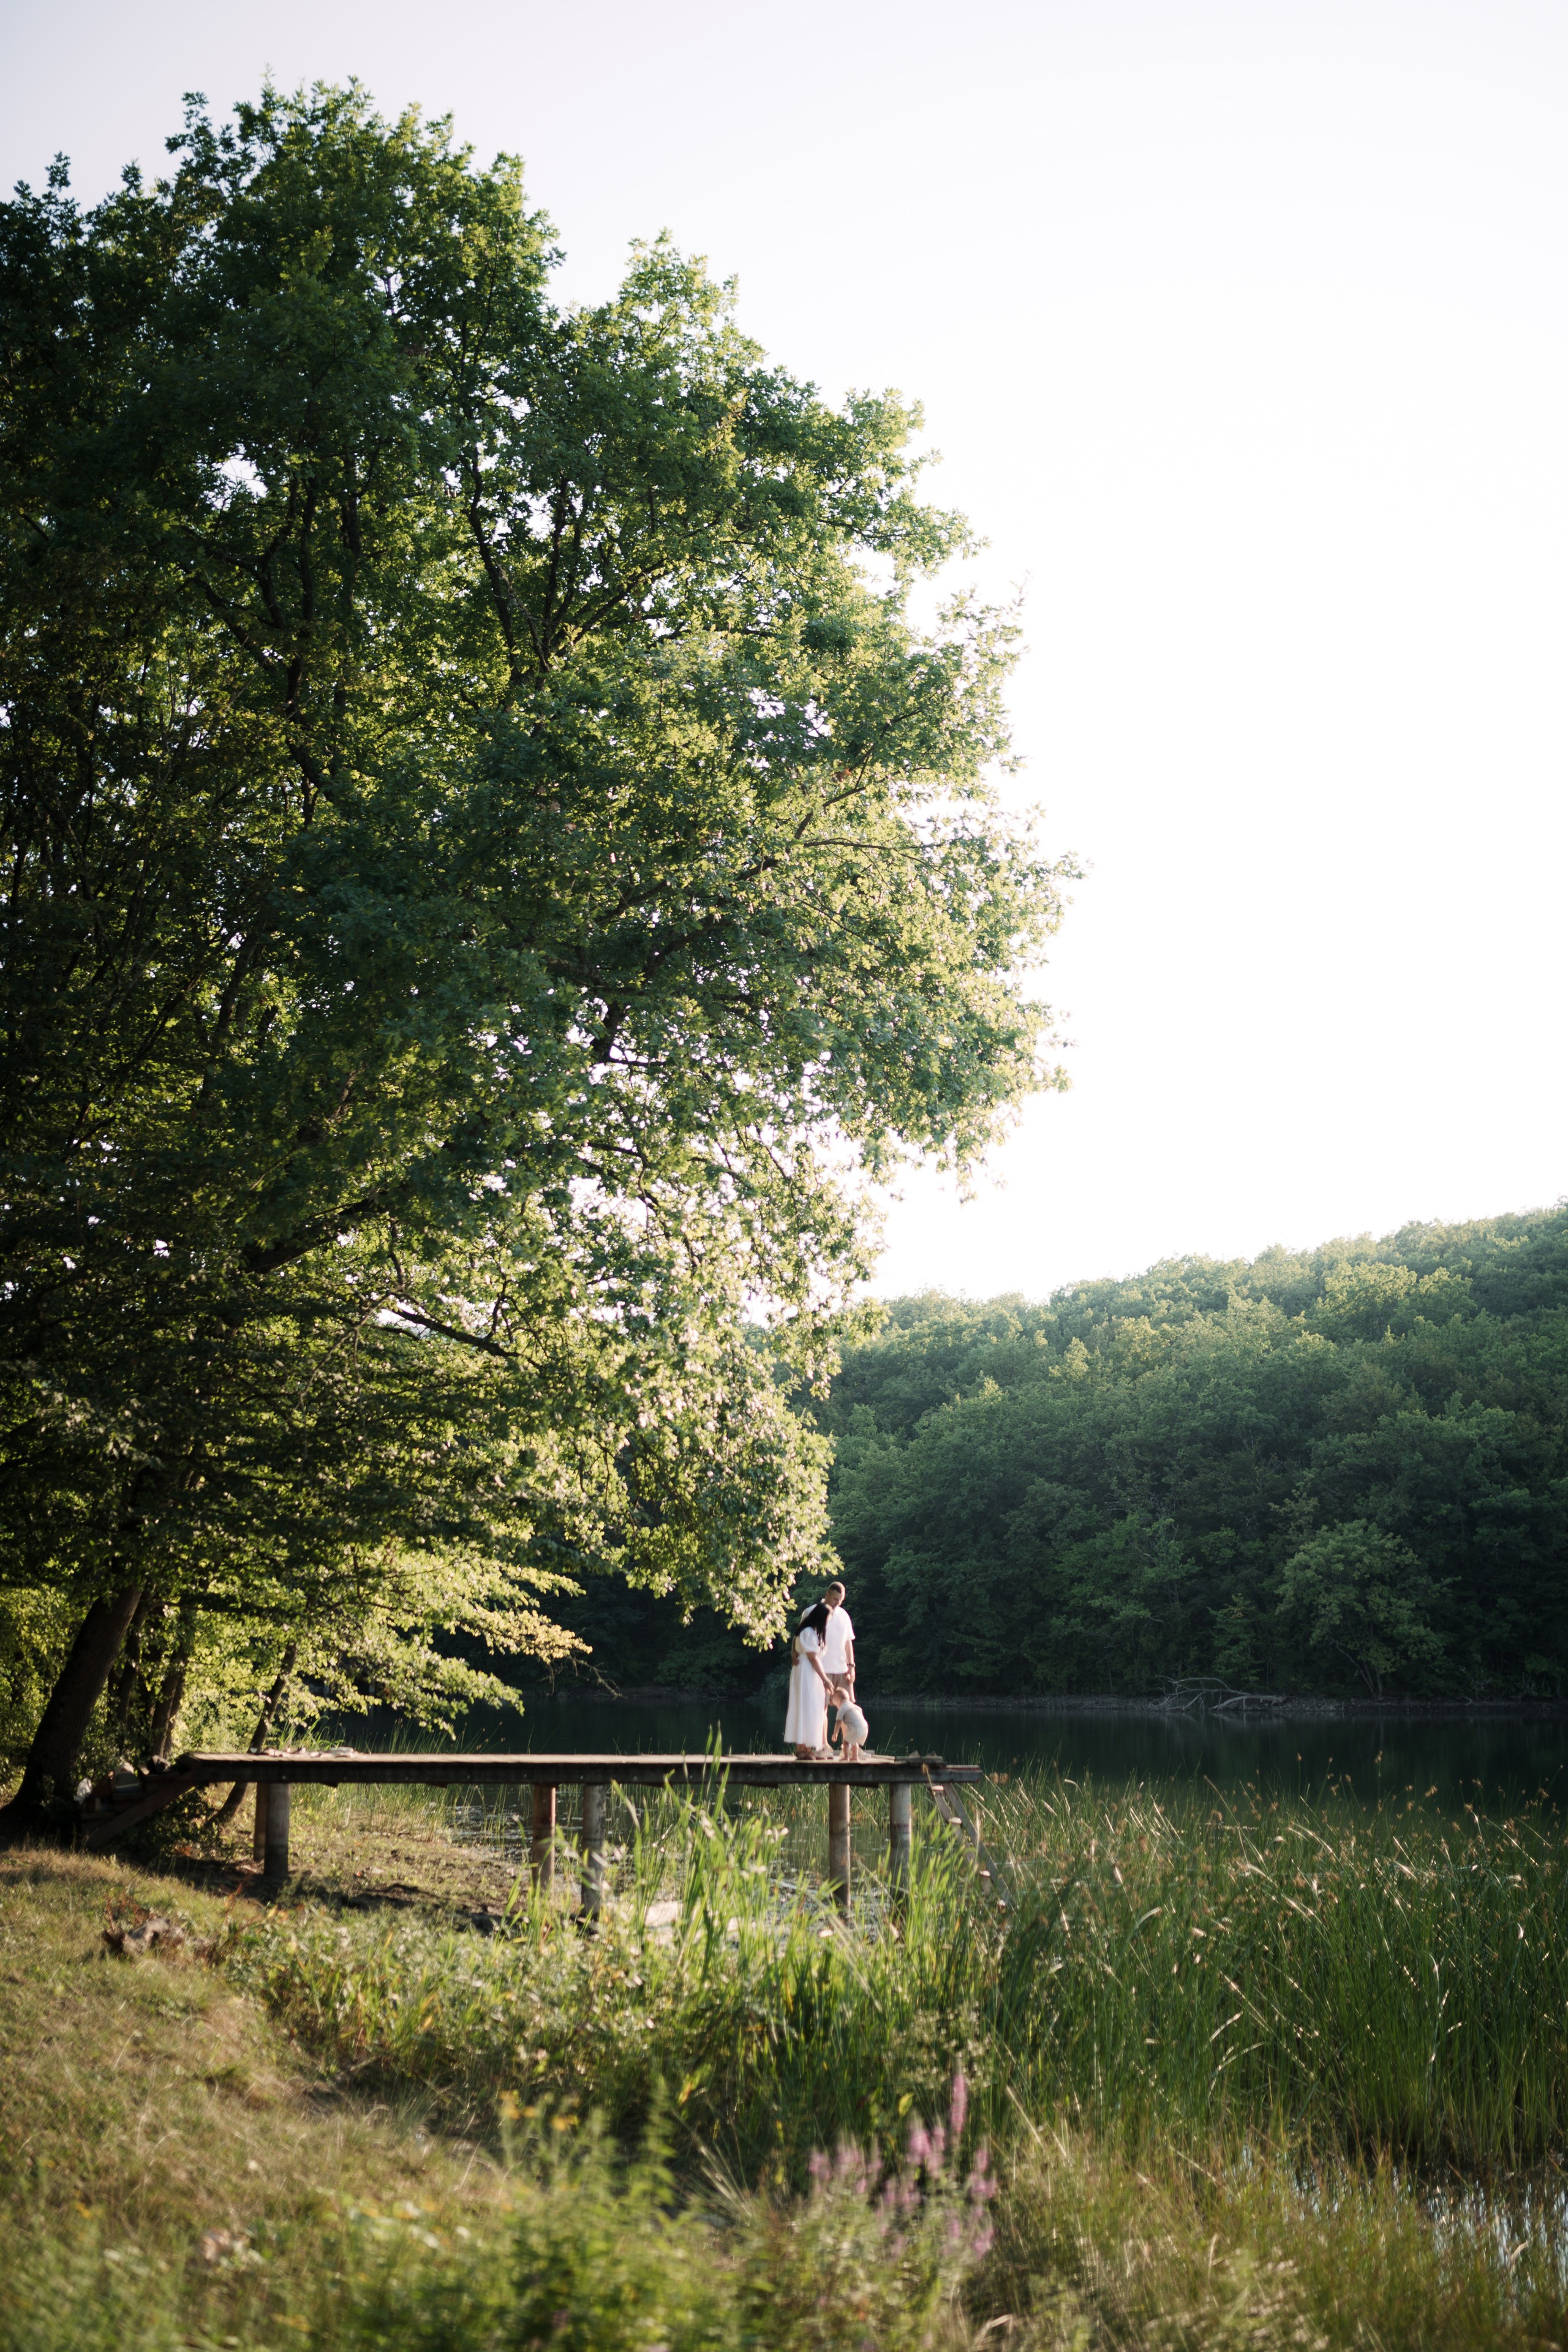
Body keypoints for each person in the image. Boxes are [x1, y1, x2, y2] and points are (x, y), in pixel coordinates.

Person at [784, 1599, 832, 1758]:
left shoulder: (810, 1631)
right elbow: (813, 1657)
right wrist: (825, 1679)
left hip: (809, 1673)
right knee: (806, 1707)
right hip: (807, 1673)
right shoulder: (808, 1632)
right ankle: (801, 1749)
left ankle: (808, 1748)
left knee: (811, 1708)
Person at [820, 1581, 856, 1735]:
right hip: (823, 1670)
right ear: (827, 1595)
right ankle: (823, 1746)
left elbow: (848, 1643)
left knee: (849, 1709)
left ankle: (853, 1747)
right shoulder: (815, 1613)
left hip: (843, 1669)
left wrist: (851, 1667)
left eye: (841, 1601)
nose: (838, 1604)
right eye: (835, 1599)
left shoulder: (844, 1615)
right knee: (822, 1709)